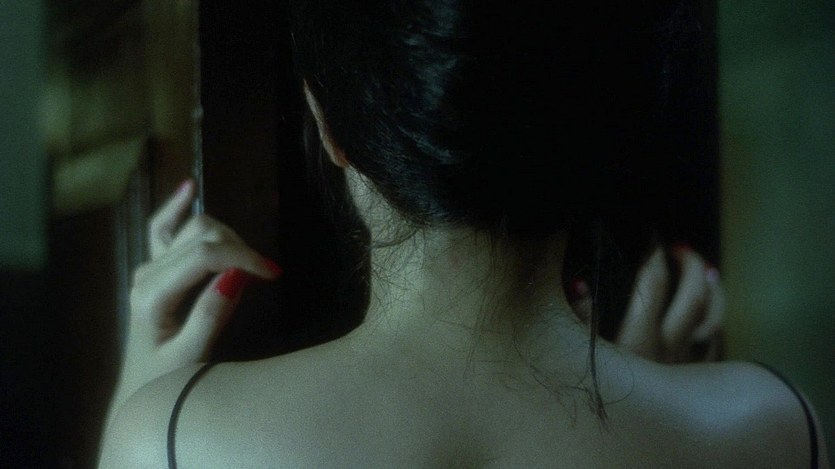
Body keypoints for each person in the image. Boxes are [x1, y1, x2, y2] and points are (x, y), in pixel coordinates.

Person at [99, 1, 829, 467]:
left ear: (330, 125)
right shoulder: (772, 426)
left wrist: (142, 409)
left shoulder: (177, 438)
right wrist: (638, 396)